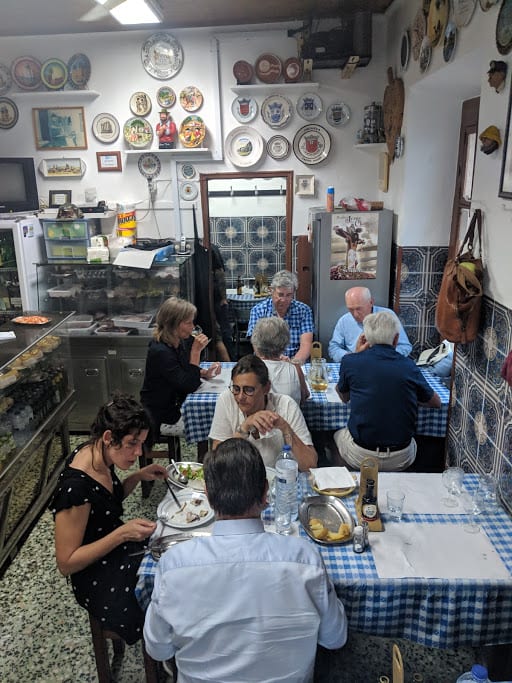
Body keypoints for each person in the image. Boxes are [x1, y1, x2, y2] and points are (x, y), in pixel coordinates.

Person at [143, 438, 347, 682]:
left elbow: (158, 649)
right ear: (265, 492)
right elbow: (335, 638)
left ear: (207, 495)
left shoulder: (173, 566)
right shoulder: (305, 559)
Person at [49, 393, 168, 644]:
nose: (138, 452)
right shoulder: (75, 488)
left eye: (141, 444)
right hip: (95, 575)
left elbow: (107, 503)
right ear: (108, 438)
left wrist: (137, 476)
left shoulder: (99, 453)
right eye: (131, 444)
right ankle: (161, 645)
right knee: (162, 585)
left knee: (170, 555)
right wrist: (122, 534)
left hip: (114, 548)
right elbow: (66, 563)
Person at [334, 311, 441, 471]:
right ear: (396, 338)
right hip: (401, 456)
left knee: (335, 435)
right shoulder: (408, 366)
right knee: (424, 442)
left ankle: (345, 482)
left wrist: (356, 354)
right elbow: (436, 403)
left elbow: (344, 397)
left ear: (366, 338)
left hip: (361, 456)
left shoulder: (351, 362)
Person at [208, 354, 317, 471]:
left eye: (248, 390)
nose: (240, 397)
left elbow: (309, 465)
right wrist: (244, 428)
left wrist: (285, 428)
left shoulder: (286, 405)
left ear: (266, 388)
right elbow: (217, 463)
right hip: (237, 480)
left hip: (279, 481)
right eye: (236, 389)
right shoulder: (226, 400)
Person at [140, 297, 220, 441]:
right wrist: (196, 352)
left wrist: (203, 372)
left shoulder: (177, 342)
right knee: (213, 423)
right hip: (162, 413)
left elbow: (181, 369)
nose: (192, 326)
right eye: (188, 322)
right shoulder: (160, 351)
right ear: (172, 325)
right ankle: (205, 457)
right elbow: (189, 385)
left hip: (176, 403)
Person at [328, 286, 412, 362]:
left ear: (371, 302)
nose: (355, 314)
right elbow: (333, 348)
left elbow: (405, 346)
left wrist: (385, 356)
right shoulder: (345, 320)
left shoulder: (388, 316)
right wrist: (352, 357)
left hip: (384, 364)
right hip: (355, 364)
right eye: (351, 309)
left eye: (359, 309)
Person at [247, 270, 314, 364]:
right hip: (267, 362)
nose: (284, 300)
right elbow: (256, 345)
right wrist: (276, 361)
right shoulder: (258, 310)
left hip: (295, 363)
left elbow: (306, 344)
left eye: (289, 295)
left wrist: (293, 362)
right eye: (280, 295)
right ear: (271, 291)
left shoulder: (304, 310)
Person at [251, 317, 309, 404]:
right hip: (290, 416)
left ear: (256, 342)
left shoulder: (250, 369)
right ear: (285, 342)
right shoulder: (295, 368)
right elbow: (305, 396)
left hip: (259, 416)